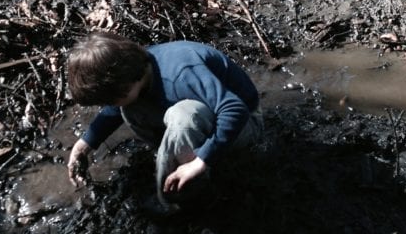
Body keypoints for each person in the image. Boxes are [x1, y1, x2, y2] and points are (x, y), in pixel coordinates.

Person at [66, 33, 263, 206]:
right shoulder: (139, 71)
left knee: (184, 116)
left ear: (127, 82)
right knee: (130, 109)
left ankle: (179, 198)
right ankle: (174, 158)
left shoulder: (181, 73)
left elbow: (235, 109)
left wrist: (201, 161)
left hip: (245, 125)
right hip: (207, 120)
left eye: (110, 99)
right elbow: (114, 109)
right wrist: (86, 143)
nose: (109, 104)